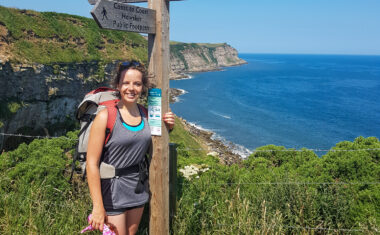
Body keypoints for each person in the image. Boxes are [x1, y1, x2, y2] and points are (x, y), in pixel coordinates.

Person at [86, 61, 175, 235]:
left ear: (143, 88)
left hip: (137, 188)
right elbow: (91, 163)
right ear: (118, 86)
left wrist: (168, 127)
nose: (131, 88)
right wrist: (97, 206)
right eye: (126, 83)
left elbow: (156, 142)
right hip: (112, 191)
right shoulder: (106, 116)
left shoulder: (147, 114)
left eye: (137, 83)